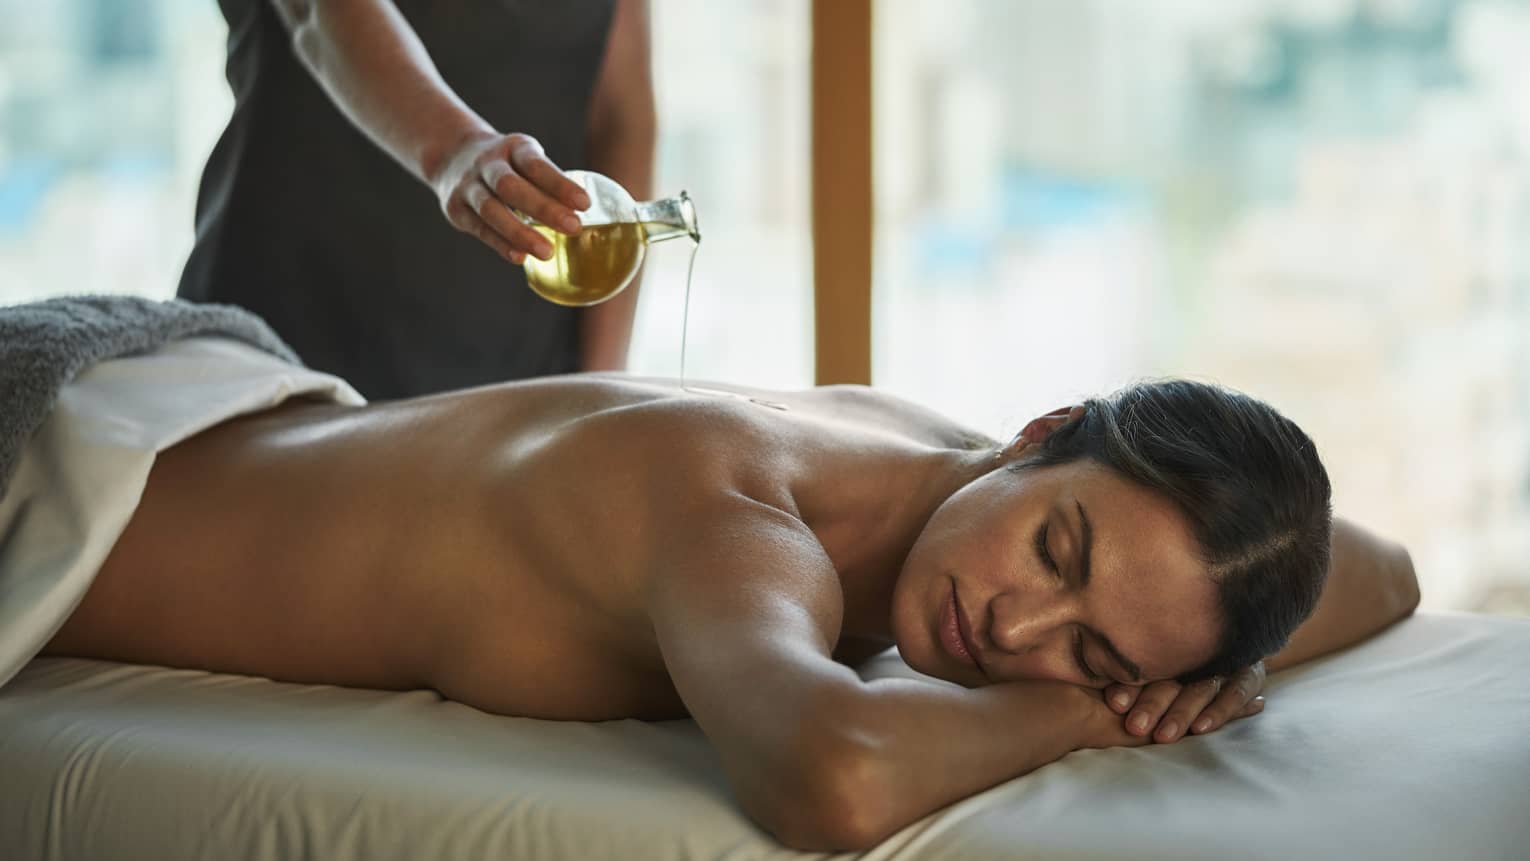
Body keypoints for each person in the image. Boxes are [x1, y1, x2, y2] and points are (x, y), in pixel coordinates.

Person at [42, 374, 1420, 851]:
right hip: (63, 479)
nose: (1017, 630)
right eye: (1055, 551)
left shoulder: (947, 465)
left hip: (214, 409)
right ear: (1041, 431)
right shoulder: (736, 504)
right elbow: (836, 774)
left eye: (1092, 647)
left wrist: (1200, 655)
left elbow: (1381, 569)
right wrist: (1090, 709)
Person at [177, 0, 655, 398]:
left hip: (517, 364)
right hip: (289, 335)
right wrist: (456, 149)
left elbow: (620, 113)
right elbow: (319, 14)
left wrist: (599, 384)